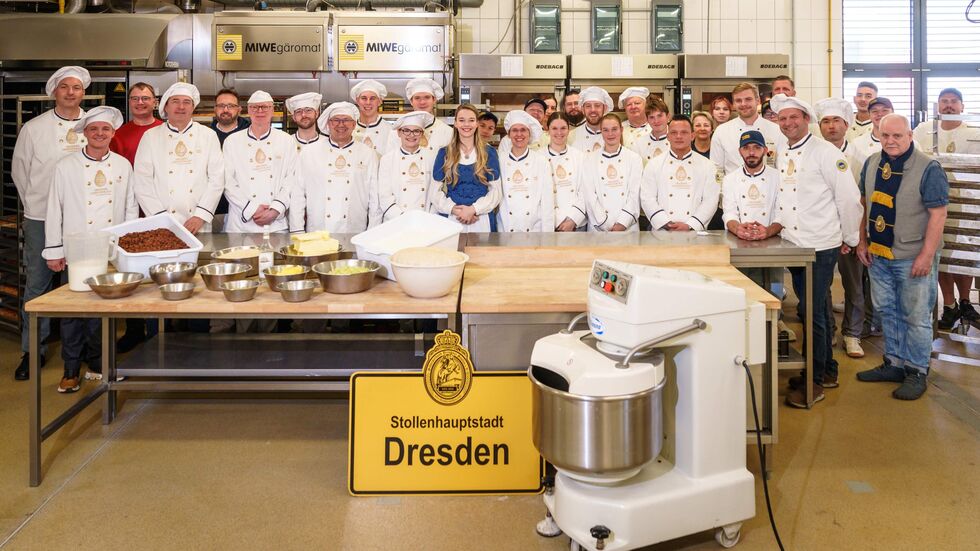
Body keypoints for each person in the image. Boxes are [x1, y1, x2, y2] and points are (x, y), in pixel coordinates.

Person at [770, 94, 863, 408]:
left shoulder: (826, 152)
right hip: (793, 244)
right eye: (782, 119)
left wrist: (850, 238)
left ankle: (815, 380)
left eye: (794, 117)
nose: (788, 123)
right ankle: (826, 370)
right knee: (816, 310)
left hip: (820, 245)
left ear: (806, 120)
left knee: (812, 313)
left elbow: (849, 199)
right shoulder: (783, 150)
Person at [42, 106, 137, 392]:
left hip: (107, 249)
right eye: (93, 129)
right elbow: (53, 210)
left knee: (102, 311)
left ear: (112, 133)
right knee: (73, 312)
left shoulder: (122, 165)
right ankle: (70, 368)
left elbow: (131, 208)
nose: (99, 134)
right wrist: (54, 249)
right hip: (76, 248)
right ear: (84, 133)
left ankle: (98, 363)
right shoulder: (66, 166)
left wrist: (126, 245)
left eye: (105, 129)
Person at [855, 114, 949, 401]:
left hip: (913, 256)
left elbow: (938, 213)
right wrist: (862, 241)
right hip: (879, 255)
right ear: (878, 135)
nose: (891, 141)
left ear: (909, 135)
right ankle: (894, 363)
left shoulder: (928, 167)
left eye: (897, 136)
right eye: (885, 136)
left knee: (916, 316)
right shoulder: (871, 164)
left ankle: (917, 370)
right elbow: (864, 205)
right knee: (887, 311)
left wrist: (926, 255)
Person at [11, 66, 90, 380]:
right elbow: (20, 172)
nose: (71, 92)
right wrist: (36, 206)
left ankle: (78, 349)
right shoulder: (34, 128)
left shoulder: (94, 125)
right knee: (37, 286)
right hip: (41, 218)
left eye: (76, 88)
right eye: (64, 87)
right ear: (54, 91)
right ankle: (33, 351)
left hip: (81, 221)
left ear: (83, 93)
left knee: (80, 286)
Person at [912, 88, 980, 330]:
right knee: (940, 255)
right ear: (938, 106)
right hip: (932, 203)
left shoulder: (975, 133)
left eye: (953, 102)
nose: (949, 106)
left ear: (962, 106)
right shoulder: (923, 130)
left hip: (967, 206)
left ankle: (965, 302)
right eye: (944, 102)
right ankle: (949, 304)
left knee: (963, 254)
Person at [815, 97, 877, 358]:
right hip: (823, 231)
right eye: (825, 121)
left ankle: (852, 334)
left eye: (836, 121)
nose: (831, 127)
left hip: (854, 231)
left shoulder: (861, 158)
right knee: (823, 286)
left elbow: (863, 200)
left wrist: (856, 235)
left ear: (846, 124)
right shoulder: (813, 154)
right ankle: (828, 330)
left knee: (854, 286)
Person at [110, 82, 165, 354]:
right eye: (135, 98)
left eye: (146, 98)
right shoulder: (119, 134)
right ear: (129, 103)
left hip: (160, 213)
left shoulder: (164, 131)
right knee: (132, 274)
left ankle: (160, 329)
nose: (140, 103)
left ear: (155, 102)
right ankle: (134, 330)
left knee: (160, 273)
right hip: (132, 213)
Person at [133, 82, 224, 235]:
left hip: (198, 224)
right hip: (161, 225)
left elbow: (217, 179)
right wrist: (161, 219)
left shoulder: (208, 135)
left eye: (186, 102)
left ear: (193, 107)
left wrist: (200, 216)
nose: (181, 107)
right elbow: (142, 182)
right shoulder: (151, 136)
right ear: (166, 107)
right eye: (175, 101)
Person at [289, 102, 378, 233]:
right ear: (328, 124)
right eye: (335, 120)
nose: (341, 124)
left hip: (355, 231)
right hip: (317, 231)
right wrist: (297, 231)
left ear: (354, 124)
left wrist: (373, 233)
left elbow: (375, 199)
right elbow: (297, 194)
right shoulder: (309, 152)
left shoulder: (367, 154)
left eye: (346, 120)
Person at [222, 90, 295, 234]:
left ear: (273, 110)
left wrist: (275, 210)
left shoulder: (286, 140)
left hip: (275, 225)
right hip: (240, 224)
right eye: (255, 107)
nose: (259, 111)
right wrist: (251, 209)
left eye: (264, 107)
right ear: (248, 110)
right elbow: (227, 181)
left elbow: (291, 179)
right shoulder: (232, 141)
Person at [429, 104, 502, 232]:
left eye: (471, 120)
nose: (466, 125)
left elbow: (496, 192)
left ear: (477, 124)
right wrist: (455, 210)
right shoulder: (444, 153)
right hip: (452, 219)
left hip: (482, 219)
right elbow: (434, 192)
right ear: (455, 123)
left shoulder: (489, 153)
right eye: (461, 120)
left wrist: (474, 210)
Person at [641, 116, 719, 232]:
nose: (678, 136)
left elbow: (710, 200)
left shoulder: (707, 166)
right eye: (674, 132)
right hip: (662, 233)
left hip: (694, 233)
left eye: (684, 132)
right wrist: (665, 223)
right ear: (668, 136)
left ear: (692, 136)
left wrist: (691, 225)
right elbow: (647, 198)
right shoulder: (654, 164)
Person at [581, 114, 642, 232]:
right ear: (601, 131)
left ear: (621, 130)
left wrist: (622, 223)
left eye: (614, 129)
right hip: (599, 228)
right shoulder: (590, 160)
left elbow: (634, 195)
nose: (610, 134)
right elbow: (589, 195)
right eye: (606, 130)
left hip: (628, 228)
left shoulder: (634, 159)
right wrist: (603, 223)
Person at [497, 110, 555, 233]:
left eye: (523, 130)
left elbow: (547, 202)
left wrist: (548, 236)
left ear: (530, 134)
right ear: (508, 134)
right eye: (514, 130)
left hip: (534, 230)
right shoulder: (499, 160)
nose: (519, 134)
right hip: (505, 228)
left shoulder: (541, 161)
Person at [711, 83, 785, 175]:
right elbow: (716, 170)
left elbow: (782, 167)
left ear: (757, 101)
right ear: (733, 104)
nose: (743, 104)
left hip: (768, 188)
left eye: (748, 99)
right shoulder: (721, 131)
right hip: (733, 188)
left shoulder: (776, 130)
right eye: (738, 100)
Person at [722, 130, 782, 242]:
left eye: (756, 147)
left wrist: (768, 231)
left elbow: (781, 214)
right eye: (746, 148)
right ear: (740, 151)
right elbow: (729, 213)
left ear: (765, 150)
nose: (751, 153)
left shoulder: (778, 177)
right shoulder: (730, 179)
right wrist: (738, 229)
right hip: (740, 240)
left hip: (773, 240)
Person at [377, 111, 437, 223]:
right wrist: (403, 219)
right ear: (399, 133)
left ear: (422, 133)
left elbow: (435, 193)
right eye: (406, 131)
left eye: (416, 131)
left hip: (425, 221)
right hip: (396, 221)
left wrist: (428, 218)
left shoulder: (432, 157)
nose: (411, 135)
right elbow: (385, 196)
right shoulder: (387, 159)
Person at [386, 78, 452, 153]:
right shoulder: (397, 132)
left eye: (427, 97)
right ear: (411, 101)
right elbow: (390, 160)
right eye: (417, 98)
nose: (422, 102)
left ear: (434, 100)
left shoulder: (448, 132)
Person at [545, 112, 587, 232]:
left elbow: (585, 191)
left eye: (563, 128)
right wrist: (550, 221)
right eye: (554, 128)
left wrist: (573, 220)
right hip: (548, 224)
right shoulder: (538, 157)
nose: (559, 132)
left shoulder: (580, 157)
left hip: (576, 224)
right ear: (548, 130)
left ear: (569, 130)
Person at [351, 80, 393, 156]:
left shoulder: (391, 130)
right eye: (364, 98)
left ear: (380, 101)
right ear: (357, 101)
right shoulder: (349, 129)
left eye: (372, 98)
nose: (368, 102)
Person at [851, 97, 894, 170]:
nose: (879, 114)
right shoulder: (857, 144)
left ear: (893, 113)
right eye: (874, 111)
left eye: (885, 110)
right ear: (869, 115)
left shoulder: (907, 142)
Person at [629, 98, 671, 166]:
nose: (656, 121)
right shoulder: (638, 144)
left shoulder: (678, 141)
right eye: (651, 117)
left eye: (659, 116)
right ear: (647, 120)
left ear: (668, 116)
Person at [571, 86, 613, 153]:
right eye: (588, 106)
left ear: (604, 108)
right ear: (582, 109)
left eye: (597, 105)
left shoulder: (614, 135)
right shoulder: (571, 136)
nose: (593, 110)